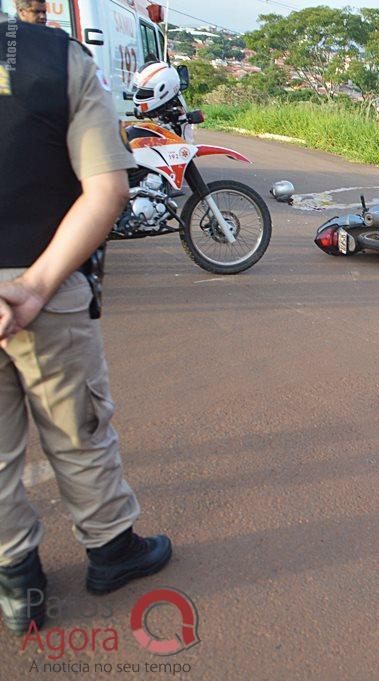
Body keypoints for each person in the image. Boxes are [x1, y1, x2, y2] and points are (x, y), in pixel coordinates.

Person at [0, 18, 171, 636]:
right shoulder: (54, 57)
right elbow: (106, 191)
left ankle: (19, 587)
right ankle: (110, 550)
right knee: (79, 428)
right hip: (45, 285)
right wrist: (34, 286)